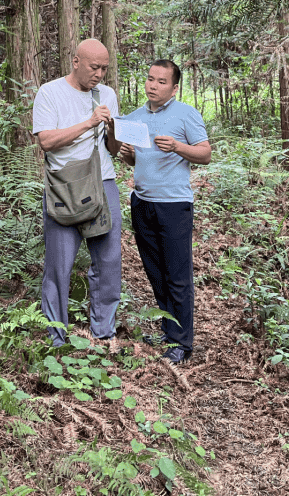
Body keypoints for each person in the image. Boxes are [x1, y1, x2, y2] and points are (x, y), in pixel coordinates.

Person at [118, 59, 210, 365]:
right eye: (149, 78)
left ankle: (182, 342)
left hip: (174, 205)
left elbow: (205, 154)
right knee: (155, 271)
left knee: (177, 275)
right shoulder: (135, 118)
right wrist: (128, 155)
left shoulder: (186, 114)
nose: (153, 85)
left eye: (161, 81)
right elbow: (135, 162)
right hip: (142, 203)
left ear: (174, 87)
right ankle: (169, 329)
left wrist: (178, 147)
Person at [33, 39, 123, 346]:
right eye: (93, 67)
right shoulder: (50, 92)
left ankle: (104, 333)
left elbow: (113, 148)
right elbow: (46, 141)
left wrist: (112, 129)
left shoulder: (107, 94)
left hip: (103, 182)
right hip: (65, 186)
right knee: (60, 265)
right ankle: (57, 338)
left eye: (104, 68)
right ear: (76, 61)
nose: (99, 74)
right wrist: (89, 122)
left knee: (109, 261)